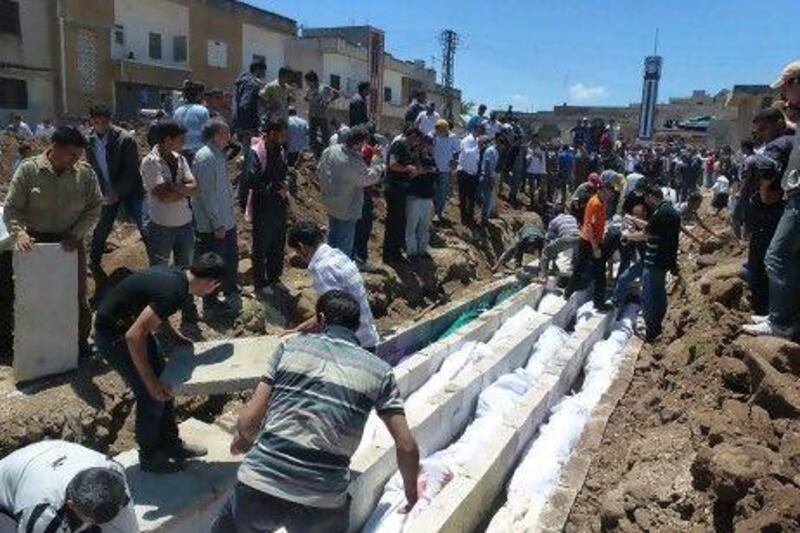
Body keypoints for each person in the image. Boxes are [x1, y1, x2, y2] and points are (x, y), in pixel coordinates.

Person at [212, 290, 418, 533]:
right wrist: (411, 493)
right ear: (358, 325)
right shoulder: (380, 372)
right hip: (322, 501)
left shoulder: (289, 349)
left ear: (320, 319)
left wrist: (243, 440)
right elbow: (406, 446)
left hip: (259, 488)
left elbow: (248, 421)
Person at [94, 253, 225, 472]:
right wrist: (151, 383)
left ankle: (171, 445)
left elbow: (155, 311)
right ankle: (150, 458)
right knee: (150, 396)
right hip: (114, 335)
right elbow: (133, 336)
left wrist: (174, 336)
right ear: (211, 283)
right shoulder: (173, 291)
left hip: (130, 326)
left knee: (165, 389)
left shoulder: (180, 276)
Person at [3, 126, 102, 348]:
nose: (75, 160)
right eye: (72, 155)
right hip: (34, 243)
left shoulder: (85, 174)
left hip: (70, 242)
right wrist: (20, 234)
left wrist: (76, 234)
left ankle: (79, 343)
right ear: (55, 147)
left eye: (79, 156)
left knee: (76, 296)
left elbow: (94, 207)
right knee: (36, 296)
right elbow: (12, 209)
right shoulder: (28, 171)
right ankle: (37, 345)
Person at [743, 60, 800, 337]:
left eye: (786, 89)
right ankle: (781, 317)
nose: (784, 97)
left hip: (793, 200)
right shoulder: (791, 127)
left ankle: (780, 321)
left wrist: (766, 192)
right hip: (791, 197)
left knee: (776, 257)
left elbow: (764, 168)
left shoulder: (779, 144)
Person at [0, 440, 136, 532]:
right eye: (92, 520)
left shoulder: (114, 474)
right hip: (6, 495)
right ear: (71, 504)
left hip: (50, 454)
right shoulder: (41, 513)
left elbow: (126, 527)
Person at [286, 224, 380, 348]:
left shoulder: (323, 268)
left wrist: (297, 331)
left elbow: (334, 314)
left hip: (354, 346)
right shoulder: (337, 255)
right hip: (367, 335)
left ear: (302, 247)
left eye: (297, 252)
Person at [86, 104, 146, 271]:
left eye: (104, 121)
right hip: (107, 192)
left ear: (109, 120)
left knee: (144, 225)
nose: (100, 125)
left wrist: (118, 193)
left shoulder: (124, 139)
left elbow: (131, 170)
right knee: (102, 227)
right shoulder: (89, 140)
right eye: (96, 121)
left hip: (131, 191)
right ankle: (94, 263)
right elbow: (92, 168)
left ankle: (157, 263)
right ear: (91, 120)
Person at [191, 118, 240, 317]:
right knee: (213, 263)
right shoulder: (205, 158)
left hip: (226, 221)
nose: (229, 137)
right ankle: (210, 302)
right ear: (216, 134)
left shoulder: (217, 155)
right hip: (213, 225)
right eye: (226, 133)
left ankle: (228, 289)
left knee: (228, 258)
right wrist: (217, 223)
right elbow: (207, 194)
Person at [140, 121, 197, 280]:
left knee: (185, 270)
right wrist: (184, 190)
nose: (184, 143)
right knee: (159, 272)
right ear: (167, 140)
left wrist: (173, 187)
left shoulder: (180, 159)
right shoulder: (151, 162)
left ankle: (184, 302)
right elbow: (164, 197)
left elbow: (195, 187)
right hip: (161, 226)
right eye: (180, 139)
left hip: (185, 224)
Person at [317, 125, 384, 257]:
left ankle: (329, 271)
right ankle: (340, 274)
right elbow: (368, 178)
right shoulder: (352, 161)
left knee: (332, 240)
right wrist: (377, 161)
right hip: (347, 209)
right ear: (358, 142)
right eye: (364, 143)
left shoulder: (331, 150)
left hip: (331, 204)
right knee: (343, 247)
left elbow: (320, 169)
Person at [624, 186, 681, 341]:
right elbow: (653, 227)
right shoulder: (670, 212)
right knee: (659, 294)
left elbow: (645, 234)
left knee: (649, 297)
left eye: (647, 199)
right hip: (664, 261)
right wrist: (635, 220)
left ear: (652, 197)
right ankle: (658, 327)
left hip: (654, 262)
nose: (646, 203)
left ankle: (652, 331)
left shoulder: (660, 213)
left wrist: (628, 236)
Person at [244, 118, 289, 294]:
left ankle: (274, 277)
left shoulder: (281, 151)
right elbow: (252, 180)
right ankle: (260, 283)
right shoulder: (256, 151)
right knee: (261, 245)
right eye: (281, 133)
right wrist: (273, 189)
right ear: (271, 133)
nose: (284, 137)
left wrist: (285, 185)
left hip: (279, 204)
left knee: (278, 242)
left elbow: (285, 172)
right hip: (263, 204)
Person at [564, 173, 615, 311]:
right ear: (600, 190)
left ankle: (575, 293)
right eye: (607, 192)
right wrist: (595, 248)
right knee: (584, 269)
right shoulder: (596, 203)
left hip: (591, 241)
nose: (608, 195)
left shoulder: (599, 201)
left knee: (594, 271)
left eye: (610, 193)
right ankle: (571, 292)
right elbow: (590, 227)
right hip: (589, 242)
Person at [383, 127, 421, 263]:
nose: (416, 141)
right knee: (394, 221)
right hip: (394, 188)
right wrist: (407, 169)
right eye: (416, 138)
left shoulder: (407, 147)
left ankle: (396, 252)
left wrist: (412, 171)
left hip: (401, 189)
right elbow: (392, 164)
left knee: (399, 221)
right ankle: (389, 255)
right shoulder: (398, 145)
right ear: (410, 135)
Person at [232, 59, 268, 184]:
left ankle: (242, 181)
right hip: (248, 126)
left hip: (240, 124)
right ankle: (244, 189)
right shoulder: (252, 84)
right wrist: (248, 127)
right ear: (258, 70)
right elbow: (244, 105)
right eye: (263, 71)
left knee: (247, 155)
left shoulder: (243, 83)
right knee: (250, 157)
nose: (264, 74)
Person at [405, 135, 437, 257]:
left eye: (429, 144)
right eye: (425, 144)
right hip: (414, 196)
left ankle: (422, 250)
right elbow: (411, 173)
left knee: (424, 226)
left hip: (427, 197)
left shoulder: (430, 159)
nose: (427, 147)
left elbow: (434, 172)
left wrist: (424, 171)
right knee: (411, 226)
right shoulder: (413, 157)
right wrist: (422, 171)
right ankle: (411, 252)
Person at [173, 80, 210, 164]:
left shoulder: (178, 111)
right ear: (198, 96)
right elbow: (207, 131)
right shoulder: (202, 110)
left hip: (181, 149)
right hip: (198, 150)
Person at [304, 70, 340, 159]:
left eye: (307, 81)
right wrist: (307, 99)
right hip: (312, 116)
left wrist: (328, 101)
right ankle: (315, 155)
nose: (306, 83)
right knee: (312, 139)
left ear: (311, 80)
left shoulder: (324, 87)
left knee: (326, 138)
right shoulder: (309, 89)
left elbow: (337, 94)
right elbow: (306, 98)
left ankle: (327, 156)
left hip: (322, 116)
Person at [432, 119, 459, 222]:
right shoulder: (434, 136)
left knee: (442, 192)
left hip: (445, 170)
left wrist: (454, 161)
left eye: (440, 129)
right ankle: (435, 210)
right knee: (434, 191)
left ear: (445, 129)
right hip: (434, 169)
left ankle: (439, 213)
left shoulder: (453, 137)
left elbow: (458, 151)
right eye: (437, 129)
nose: (438, 131)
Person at [541, 207, 580, 275]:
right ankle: (575, 268)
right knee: (576, 251)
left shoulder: (554, 221)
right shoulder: (571, 217)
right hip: (579, 237)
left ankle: (543, 274)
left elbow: (549, 237)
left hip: (567, 238)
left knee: (546, 251)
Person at [480, 133, 501, 225]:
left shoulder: (496, 151)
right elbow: (488, 165)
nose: (501, 143)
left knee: (488, 199)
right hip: (486, 177)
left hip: (489, 176)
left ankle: (485, 217)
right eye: (500, 141)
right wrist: (490, 178)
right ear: (496, 140)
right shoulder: (490, 150)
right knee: (487, 199)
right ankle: (483, 219)